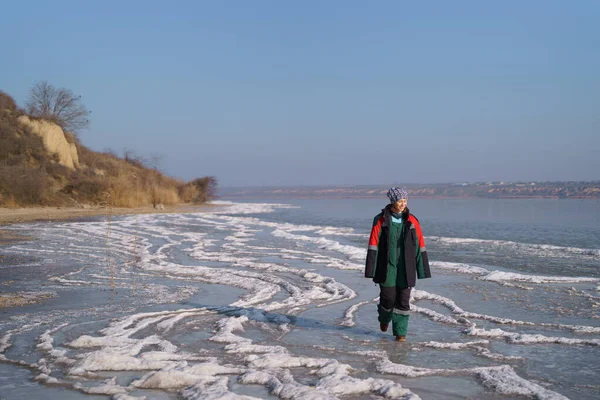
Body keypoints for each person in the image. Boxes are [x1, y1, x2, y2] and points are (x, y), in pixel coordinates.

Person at [364, 187, 431, 342]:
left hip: (406, 267)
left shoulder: (412, 221)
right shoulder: (380, 220)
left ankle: (400, 333)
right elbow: (373, 244)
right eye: (400, 201)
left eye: (405, 200)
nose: (403, 204)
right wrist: (370, 269)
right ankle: (384, 318)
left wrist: (422, 270)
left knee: (403, 300)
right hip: (386, 267)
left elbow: (420, 245)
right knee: (387, 298)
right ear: (393, 201)